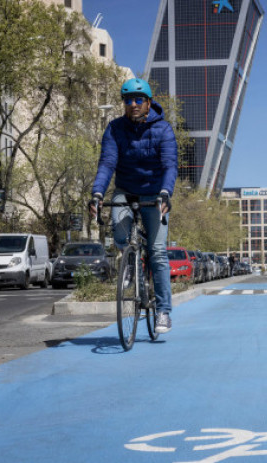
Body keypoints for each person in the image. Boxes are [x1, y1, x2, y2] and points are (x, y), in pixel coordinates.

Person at [89, 78, 178, 334]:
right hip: (126, 191)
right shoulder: (115, 128)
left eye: (139, 99)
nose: (133, 104)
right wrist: (96, 193)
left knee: (158, 252)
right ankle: (130, 263)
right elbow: (107, 163)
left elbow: (170, 165)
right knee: (119, 230)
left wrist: (165, 193)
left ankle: (163, 311)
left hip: (154, 193)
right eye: (128, 100)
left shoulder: (163, 130)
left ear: (148, 102)